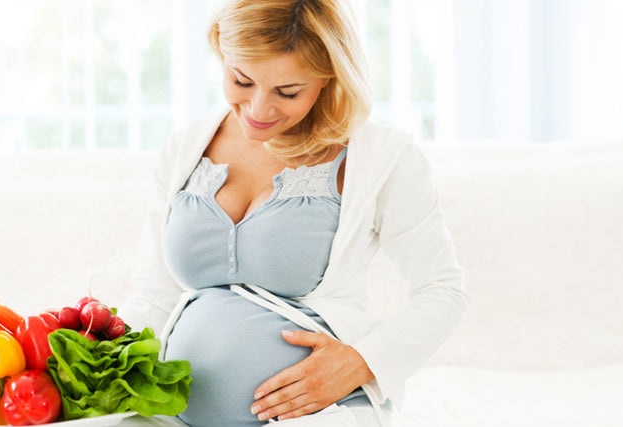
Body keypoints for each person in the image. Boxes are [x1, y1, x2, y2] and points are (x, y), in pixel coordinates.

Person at [122, 0, 468, 425]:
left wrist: (362, 362)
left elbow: (443, 290)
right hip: (172, 417)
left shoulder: (382, 157)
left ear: (327, 78)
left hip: (323, 414)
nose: (258, 109)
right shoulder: (184, 149)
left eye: (288, 92)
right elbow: (152, 298)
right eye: (241, 80)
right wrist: (104, 374)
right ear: (220, 52)